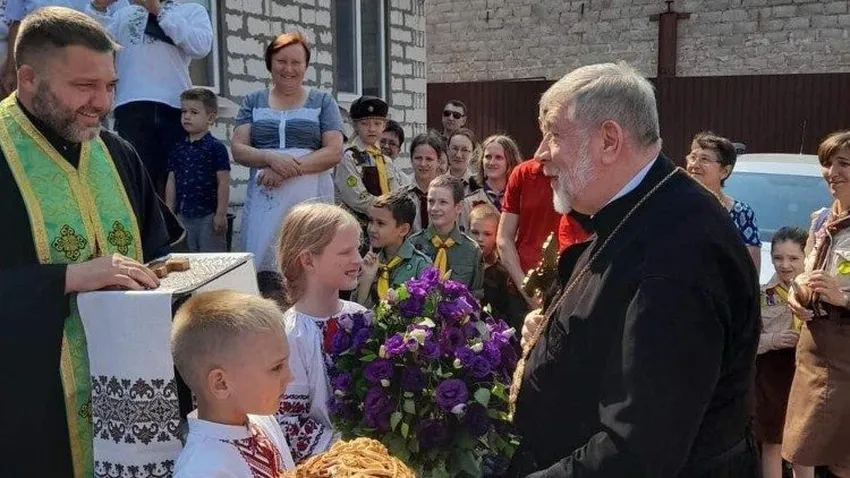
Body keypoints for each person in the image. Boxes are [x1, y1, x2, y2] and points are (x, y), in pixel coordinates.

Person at [509, 62, 760, 477]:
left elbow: (638, 450)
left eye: (553, 134)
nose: (539, 155)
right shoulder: (635, 207)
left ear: (609, 140)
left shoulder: (683, 253)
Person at [0, 7, 181, 476]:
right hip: (28, 412)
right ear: (27, 78)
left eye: (110, 86)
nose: (102, 103)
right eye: (84, 86)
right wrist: (69, 277)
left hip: (125, 393)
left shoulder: (117, 153)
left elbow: (159, 256)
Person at [231, 32, 344, 298]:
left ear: (306, 65)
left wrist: (285, 170)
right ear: (270, 63)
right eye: (281, 61)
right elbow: (239, 149)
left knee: (309, 265)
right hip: (265, 201)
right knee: (265, 275)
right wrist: (270, 158)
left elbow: (333, 151)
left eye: (296, 62)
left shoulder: (322, 102)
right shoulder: (253, 101)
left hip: (309, 198)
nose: (289, 69)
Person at [89, 0, 213, 198]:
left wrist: (158, 11)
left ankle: (170, 219)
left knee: (174, 179)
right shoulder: (123, 13)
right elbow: (95, 43)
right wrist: (99, 8)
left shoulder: (191, 10)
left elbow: (201, 46)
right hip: (132, 105)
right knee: (134, 177)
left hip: (174, 106)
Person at [275, 203, 365, 463]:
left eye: (358, 248)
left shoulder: (359, 315)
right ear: (308, 260)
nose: (358, 260)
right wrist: (355, 454)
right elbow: (290, 425)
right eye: (346, 252)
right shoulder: (291, 335)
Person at [171, 291, 296, 477]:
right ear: (221, 384)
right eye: (276, 367)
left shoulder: (261, 420)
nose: (290, 377)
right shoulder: (201, 470)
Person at [784, 131, 850, 478]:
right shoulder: (822, 220)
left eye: (844, 164)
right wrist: (795, 293)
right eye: (827, 163)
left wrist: (843, 298)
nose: (831, 172)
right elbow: (804, 271)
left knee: (842, 460)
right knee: (801, 449)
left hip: (846, 352)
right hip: (813, 349)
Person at [756, 227, 813, 478]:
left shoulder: (818, 293)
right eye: (778, 258)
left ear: (806, 257)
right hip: (773, 376)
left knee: (805, 445)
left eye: (793, 258)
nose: (785, 265)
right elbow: (747, 342)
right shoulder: (761, 294)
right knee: (773, 443)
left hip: (808, 373)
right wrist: (773, 340)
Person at [165, 87, 230, 253]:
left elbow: (223, 182)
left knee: (212, 259)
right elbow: (171, 180)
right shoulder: (177, 148)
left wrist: (221, 214)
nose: (187, 116)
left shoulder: (216, 147)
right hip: (183, 216)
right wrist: (169, 213)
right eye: (184, 112)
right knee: (186, 258)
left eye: (194, 112)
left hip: (208, 216)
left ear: (210, 118)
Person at [686, 131, 761, 272]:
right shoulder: (674, 206)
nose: (695, 164)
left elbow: (750, 271)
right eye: (693, 157)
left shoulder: (742, 214)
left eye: (704, 159)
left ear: (725, 171)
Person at [497, 155, 562, 308]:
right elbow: (504, 239)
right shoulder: (523, 173)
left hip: (568, 289)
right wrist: (528, 292)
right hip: (522, 289)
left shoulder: (585, 174)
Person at [334, 95, 404, 236]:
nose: (372, 129)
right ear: (355, 125)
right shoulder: (349, 157)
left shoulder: (385, 159)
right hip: (356, 229)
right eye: (365, 124)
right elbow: (358, 199)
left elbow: (395, 191)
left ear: (384, 126)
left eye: (377, 124)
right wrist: (387, 211)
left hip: (385, 227)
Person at [408, 175, 483, 297]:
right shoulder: (413, 244)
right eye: (431, 201)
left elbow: (475, 296)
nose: (434, 208)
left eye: (443, 202)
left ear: (458, 207)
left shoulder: (472, 250)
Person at [356, 192, 432, 308]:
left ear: (403, 230)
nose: (372, 229)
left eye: (380, 223)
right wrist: (367, 278)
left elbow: (428, 308)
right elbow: (357, 310)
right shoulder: (368, 262)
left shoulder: (421, 264)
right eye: (371, 221)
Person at [469, 203, 526, 330]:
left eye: (487, 234)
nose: (480, 238)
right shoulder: (460, 266)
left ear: (497, 236)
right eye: (475, 232)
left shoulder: (503, 274)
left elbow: (508, 315)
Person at [460, 134, 521, 230]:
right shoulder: (468, 203)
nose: (492, 162)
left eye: (498, 157)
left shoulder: (520, 200)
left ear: (510, 161)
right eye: (488, 157)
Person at [401, 132, 444, 233]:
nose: (423, 164)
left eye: (429, 159)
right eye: (418, 158)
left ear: (438, 162)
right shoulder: (401, 194)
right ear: (411, 159)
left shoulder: (448, 193)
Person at [447, 128, 480, 194]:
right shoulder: (436, 182)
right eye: (454, 148)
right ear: (447, 150)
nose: (458, 155)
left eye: (465, 150)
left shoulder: (479, 185)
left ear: (473, 153)